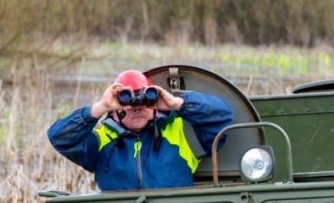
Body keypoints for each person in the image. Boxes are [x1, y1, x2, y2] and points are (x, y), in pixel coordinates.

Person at [48, 69, 233, 190]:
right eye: (128, 101)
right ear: (116, 108)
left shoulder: (180, 133)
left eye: (145, 101)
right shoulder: (101, 141)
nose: (138, 107)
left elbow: (222, 116)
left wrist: (177, 103)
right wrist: (100, 107)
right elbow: (59, 137)